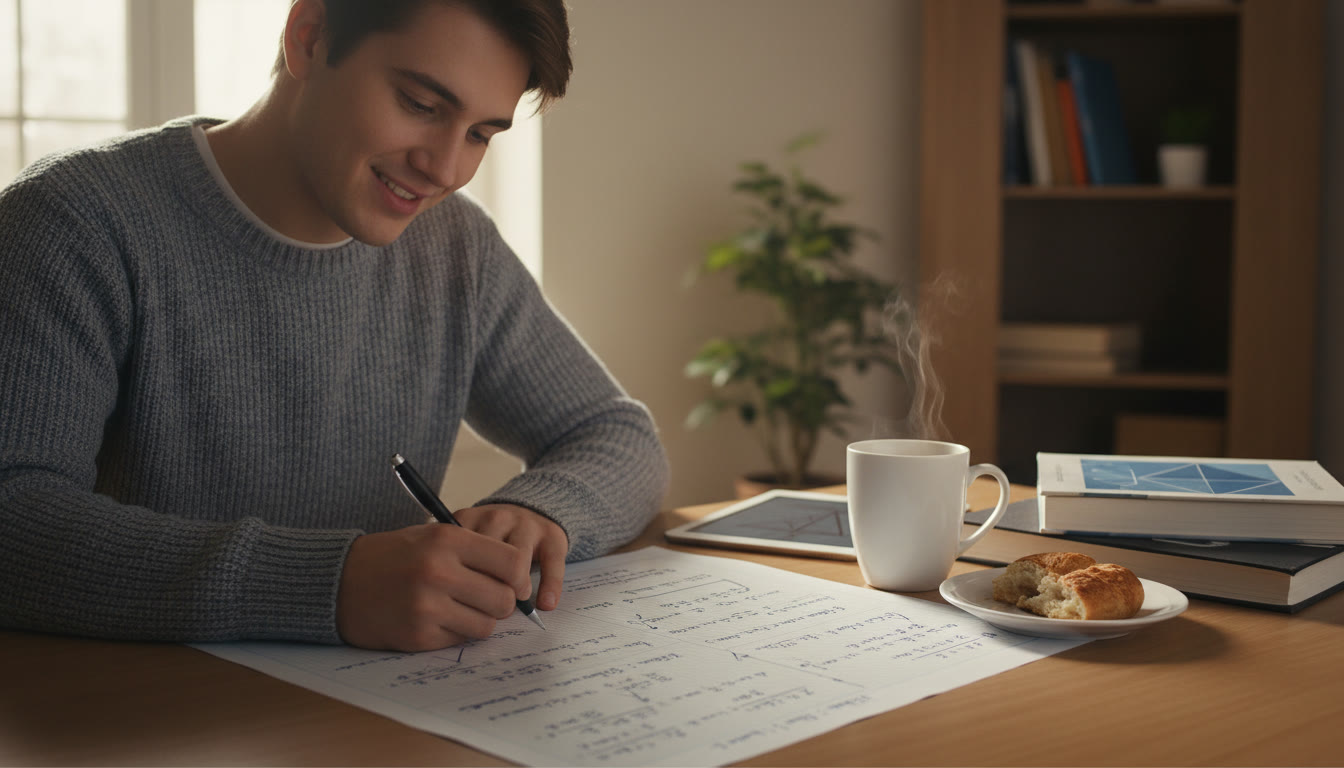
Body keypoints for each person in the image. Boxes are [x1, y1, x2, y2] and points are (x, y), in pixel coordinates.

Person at [0, 0, 668, 652]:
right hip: (133, 724)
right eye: (420, 104)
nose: (445, 169)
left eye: (480, 135)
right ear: (309, 35)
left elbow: (614, 434)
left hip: (374, 726)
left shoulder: (453, 246)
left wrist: (538, 513)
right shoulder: (72, 224)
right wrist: (327, 583)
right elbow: (14, 518)